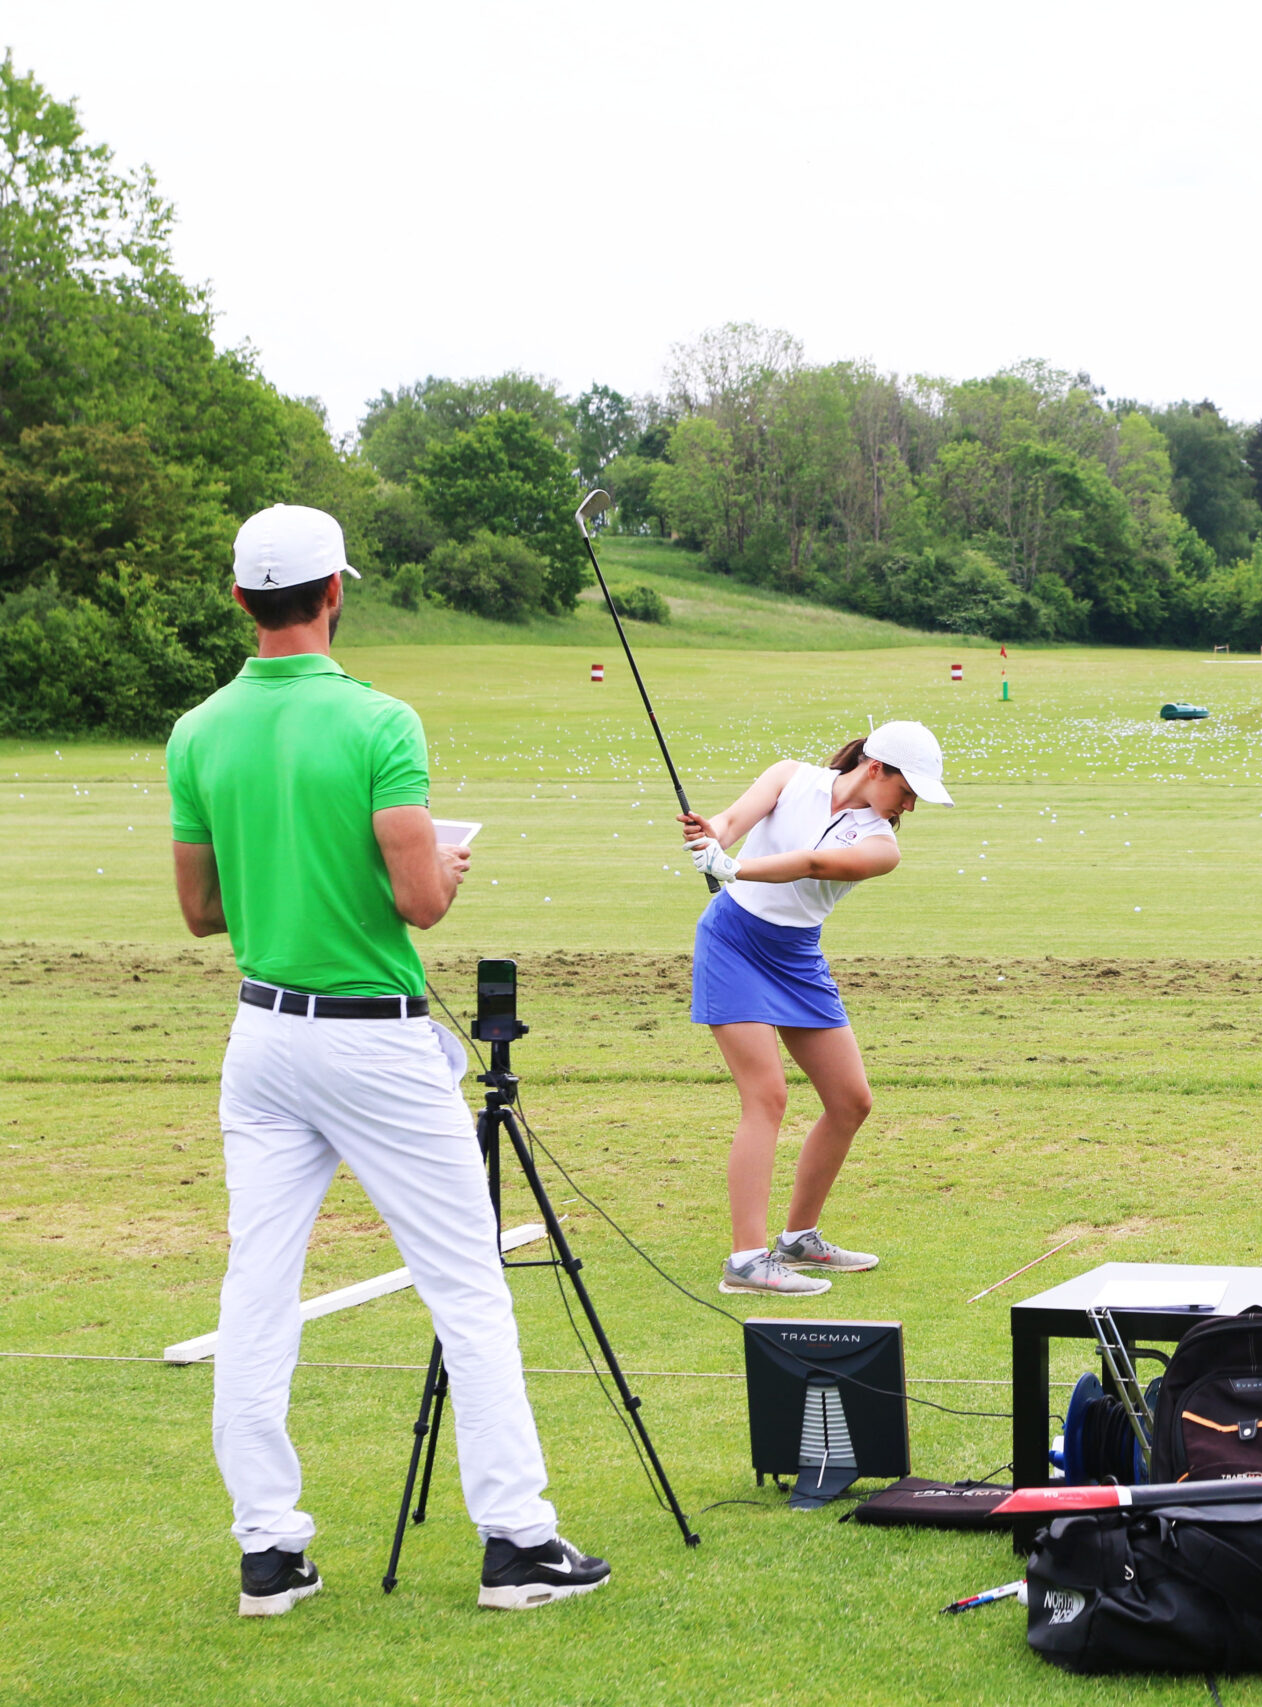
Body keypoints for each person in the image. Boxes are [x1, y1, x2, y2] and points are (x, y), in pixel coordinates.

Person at [167, 505, 608, 1616]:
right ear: (336, 593)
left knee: (257, 1291)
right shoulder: (380, 722)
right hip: (372, 1037)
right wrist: (444, 866)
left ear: (239, 599)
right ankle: (517, 1541)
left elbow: (200, 910)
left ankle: (270, 1552)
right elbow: (420, 902)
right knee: (467, 1287)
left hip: (261, 1037)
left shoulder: (197, 731)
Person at [678, 721, 952, 1296]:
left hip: (796, 954)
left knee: (851, 1101)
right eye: (909, 790)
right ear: (876, 767)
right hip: (733, 940)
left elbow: (813, 863)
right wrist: (713, 838)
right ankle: (747, 1262)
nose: (910, 804)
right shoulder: (788, 776)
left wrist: (733, 867)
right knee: (767, 1095)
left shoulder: (881, 846)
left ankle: (798, 1239)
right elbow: (730, 823)